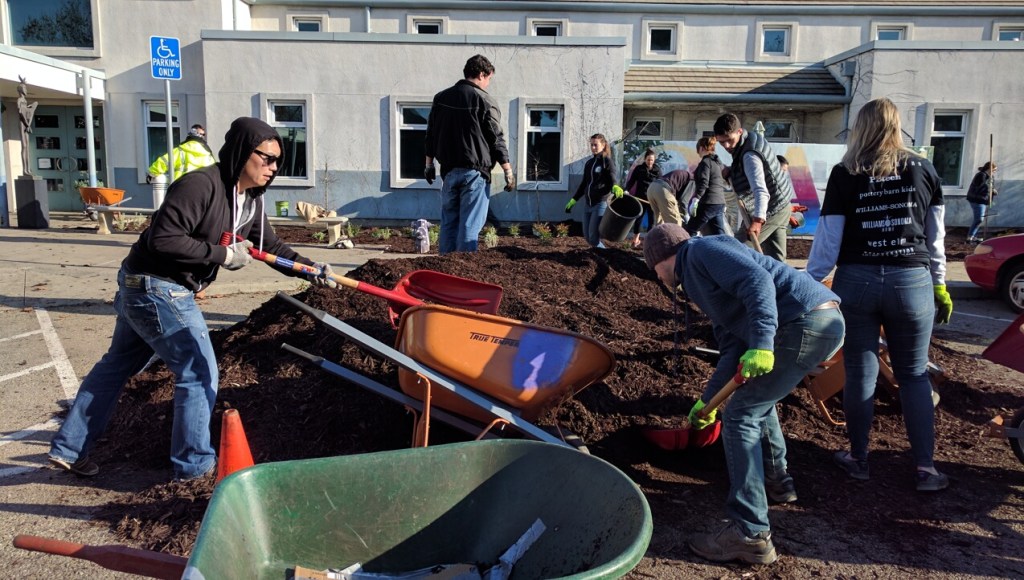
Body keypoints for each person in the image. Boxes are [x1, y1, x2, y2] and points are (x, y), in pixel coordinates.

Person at [48, 117, 337, 481]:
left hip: (154, 286)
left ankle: (70, 448)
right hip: (156, 286)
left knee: (117, 364)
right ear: (241, 153)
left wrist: (312, 270)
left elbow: (271, 248)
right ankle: (194, 469)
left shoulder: (250, 200)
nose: (274, 168)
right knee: (199, 371)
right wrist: (222, 255)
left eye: (279, 161)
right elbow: (163, 239)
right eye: (266, 158)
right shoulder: (200, 185)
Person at [643, 223, 844, 565]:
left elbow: (758, 282)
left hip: (803, 323)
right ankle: (777, 480)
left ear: (662, 259)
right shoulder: (700, 279)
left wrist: (764, 344)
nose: (659, 279)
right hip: (816, 323)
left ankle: (750, 532)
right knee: (755, 402)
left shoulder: (700, 252)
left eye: (655, 271)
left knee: (740, 415)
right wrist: (707, 402)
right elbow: (733, 347)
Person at [805, 97, 952, 493]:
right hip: (912, 280)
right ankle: (925, 469)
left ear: (862, 127)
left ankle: (858, 458)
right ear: (896, 125)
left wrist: (809, 281)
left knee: (861, 371)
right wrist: (939, 282)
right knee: (914, 375)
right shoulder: (923, 169)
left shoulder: (845, 171)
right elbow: (936, 236)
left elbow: (829, 238)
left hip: (858, 281)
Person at [424, 54, 515, 254]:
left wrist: (429, 164)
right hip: (475, 174)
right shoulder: (484, 100)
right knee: (469, 226)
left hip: (448, 173)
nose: (488, 84)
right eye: (489, 78)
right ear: (482, 74)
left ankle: (444, 269)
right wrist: (508, 169)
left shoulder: (441, 98)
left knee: (449, 223)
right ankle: (462, 277)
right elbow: (496, 137)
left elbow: (430, 134)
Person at [713, 114, 794, 261]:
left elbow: (760, 190)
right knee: (775, 260)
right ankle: (779, 283)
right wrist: (732, 171)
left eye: (729, 140)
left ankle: (735, 283)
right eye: (721, 142)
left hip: (772, 208)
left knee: (736, 251)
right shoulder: (748, 143)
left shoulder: (749, 155)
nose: (726, 146)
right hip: (783, 205)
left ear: (739, 132)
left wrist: (758, 220)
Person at [565, 133, 623, 248]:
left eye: (595, 145)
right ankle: (601, 254)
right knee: (587, 237)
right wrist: (573, 200)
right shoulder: (589, 163)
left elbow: (612, 177)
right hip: (588, 204)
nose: (593, 148)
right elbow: (583, 184)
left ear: (603, 145)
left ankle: (604, 256)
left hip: (600, 203)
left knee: (593, 237)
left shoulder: (607, 161)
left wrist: (615, 186)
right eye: (591, 145)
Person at [685, 136, 727, 236]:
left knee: (690, 230)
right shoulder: (717, 162)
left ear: (701, 148)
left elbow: (704, 182)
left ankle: (690, 251)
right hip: (719, 203)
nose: (697, 153)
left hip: (708, 203)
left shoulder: (705, 162)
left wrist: (696, 199)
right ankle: (724, 251)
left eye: (698, 150)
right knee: (719, 234)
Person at [147, 124, 217, 183]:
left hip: (181, 188)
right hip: (203, 189)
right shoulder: (207, 155)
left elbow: (163, 162)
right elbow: (213, 172)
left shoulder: (180, 151)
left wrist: (151, 174)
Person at [624, 148, 661, 248]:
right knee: (638, 219)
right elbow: (632, 181)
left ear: (654, 160)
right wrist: (626, 189)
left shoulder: (657, 170)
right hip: (640, 198)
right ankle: (635, 240)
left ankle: (648, 242)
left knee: (652, 221)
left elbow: (661, 184)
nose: (650, 162)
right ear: (645, 159)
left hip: (652, 200)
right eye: (648, 159)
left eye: (652, 160)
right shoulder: (639, 169)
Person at [966, 161, 997, 243]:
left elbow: (990, 187)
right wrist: (989, 188)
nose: (994, 172)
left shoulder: (990, 177)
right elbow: (979, 187)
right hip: (976, 199)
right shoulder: (981, 175)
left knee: (979, 219)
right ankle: (970, 236)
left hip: (983, 200)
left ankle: (973, 236)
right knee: (979, 219)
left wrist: (993, 191)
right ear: (989, 169)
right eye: (993, 170)